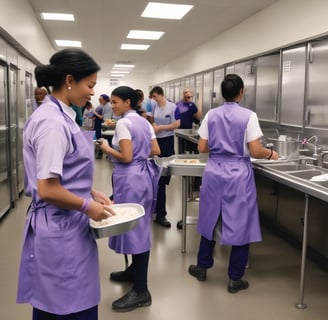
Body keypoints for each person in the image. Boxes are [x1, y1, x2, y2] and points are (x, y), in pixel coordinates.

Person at [16, 48, 116, 320]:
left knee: (57, 303)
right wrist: (87, 206)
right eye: (90, 85)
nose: (92, 93)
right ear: (70, 80)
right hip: (61, 229)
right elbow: (48, 188)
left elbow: (65, 171)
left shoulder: (62, 116)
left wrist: (91, 192)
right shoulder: (51, 124)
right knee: (69, 306)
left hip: (67, 224)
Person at [188, 74, 279, 293]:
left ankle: (202, 266)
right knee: (241, 222)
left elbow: (202, 147)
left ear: (222, 92)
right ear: (241, 92)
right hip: (238, 173)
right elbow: (256, 151)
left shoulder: (211, 114)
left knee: (210, 218)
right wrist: (271, 154)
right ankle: (235, 278)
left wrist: (221, 147)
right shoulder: (249, 116)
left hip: (214, 171)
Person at [98, 86, 161, 312]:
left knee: (136, 229)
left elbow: (125, 156)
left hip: (131, 178)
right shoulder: (144, 122)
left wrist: (106, 148)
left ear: (127, 102)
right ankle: (134, 270)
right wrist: (140, 155)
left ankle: (141, 290)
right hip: (143, 177)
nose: (112, 106)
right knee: (137, 225)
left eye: (115, 102)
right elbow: (155, 149)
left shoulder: (124, 123)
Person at [148, 86, 181, 228]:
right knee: (155, 180)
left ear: (161, 94)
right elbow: (153, 119)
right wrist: (154, 124)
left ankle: (161, 214)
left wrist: (162, 128)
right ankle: (156, 212)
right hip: (156, 141)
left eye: (155, 96)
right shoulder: (155, 106)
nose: (153, 99)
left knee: (162, 180)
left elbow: (177, 124)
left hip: (167, 142)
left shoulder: (172, 107)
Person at [175, 88, 201, 153]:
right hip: (179, 132)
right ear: (183, 94)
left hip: (189, 132)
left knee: (190, 150)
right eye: (186, 92)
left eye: (189, 93)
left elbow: (197, 119)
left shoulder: (192, 105)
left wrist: (197, 103)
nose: (187, 94)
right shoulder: (177, 104)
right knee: (180, 150)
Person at [94, 94, 109, 158]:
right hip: (97, 124)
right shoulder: (100, 106)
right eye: (99, 99)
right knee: (98, 138)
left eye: (101, 99)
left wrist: (95, 113)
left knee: (101, 139)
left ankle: (100, 153)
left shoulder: (107, 107)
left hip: (101, 125)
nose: (99, 100)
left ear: (105, 100)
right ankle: (99, 152)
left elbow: (104, 118)